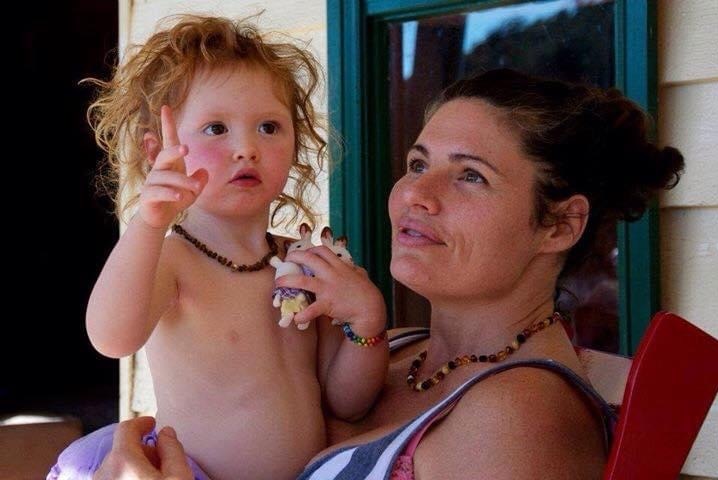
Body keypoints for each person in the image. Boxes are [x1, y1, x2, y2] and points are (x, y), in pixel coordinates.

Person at [88, 68, 685, 480]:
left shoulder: (517, 418)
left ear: (558, 226)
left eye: (469, 175)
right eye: (418, 163)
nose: (415, 195)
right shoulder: (399, 346)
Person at [49, 15, 389, 480]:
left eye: (269, 127)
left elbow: (346, 402)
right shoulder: (174, 260)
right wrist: (148, 225)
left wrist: (365, 324)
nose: (246, 148)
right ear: (157, 153)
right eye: (215, 129)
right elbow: (111, 338)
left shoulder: (307, 263)